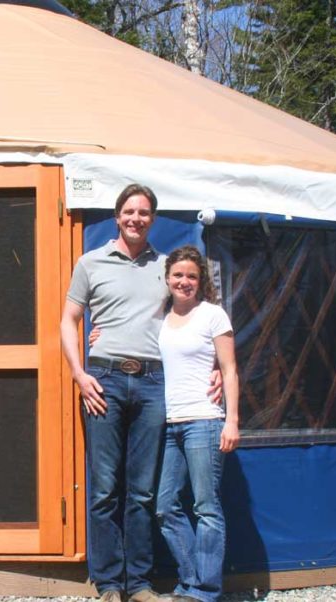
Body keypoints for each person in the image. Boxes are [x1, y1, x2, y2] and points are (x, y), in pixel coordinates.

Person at [62, 184, 220, 602]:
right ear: (117, 216)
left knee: (143, 490)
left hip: (153, 383)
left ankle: (140, 583)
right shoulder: (90, 262)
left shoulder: (168, 266)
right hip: (105, 381)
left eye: (144, 212)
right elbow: (68, 320)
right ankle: (109, 583)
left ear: (153, 218)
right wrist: (79, 373)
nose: (136, 218)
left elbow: (197, 316)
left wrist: (220, 364)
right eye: (129, 211)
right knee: (103, 488)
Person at [155, 245, 239, 602]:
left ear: (201, 280)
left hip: (204, 420)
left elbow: (230, 369)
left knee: (206, 507)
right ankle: (191, 581)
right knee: (165, 507)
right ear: (167, 278)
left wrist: (232, 420)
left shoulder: (212, 315)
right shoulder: (160, 316)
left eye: (191, 275)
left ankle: (204, 591)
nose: (184, 281)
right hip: (171, 423)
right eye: (178, 275)